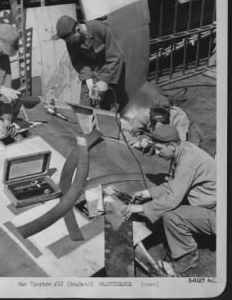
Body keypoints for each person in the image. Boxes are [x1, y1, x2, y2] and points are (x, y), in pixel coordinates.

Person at [123, 125, 216, 274]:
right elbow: (172, 185)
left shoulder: (187, 162)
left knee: (171, 217)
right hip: (210, 202)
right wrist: (147, 193)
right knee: (168, 208)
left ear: (172, 146)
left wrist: (141, 208)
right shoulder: (183, 150)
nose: (157, 153)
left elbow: (172, 198)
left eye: (159, 148)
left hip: (218, 213)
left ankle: (187, 258)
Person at [52, 15, 128, 111]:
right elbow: (78, 62)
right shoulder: (70, 41)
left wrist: (104, 80)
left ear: (77, 29)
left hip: (111, 72)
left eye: (69, 39)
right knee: (84, 107)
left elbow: (115, 57)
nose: (69, 43)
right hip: (92, 73)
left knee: (109, 110)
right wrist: (88, 81)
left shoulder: (100, 29)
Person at [121, 97, 203, 149]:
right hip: (159, 135)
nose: (158, 117)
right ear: (151, 110)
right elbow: (124, 130)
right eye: (155, 112)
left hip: (188, 129)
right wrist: (136, 142)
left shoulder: (179, 118)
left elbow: (179, 144)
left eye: (161, 113)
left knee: (191, 150)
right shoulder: (145, 114)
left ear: (168, 111)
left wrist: (157, 144)